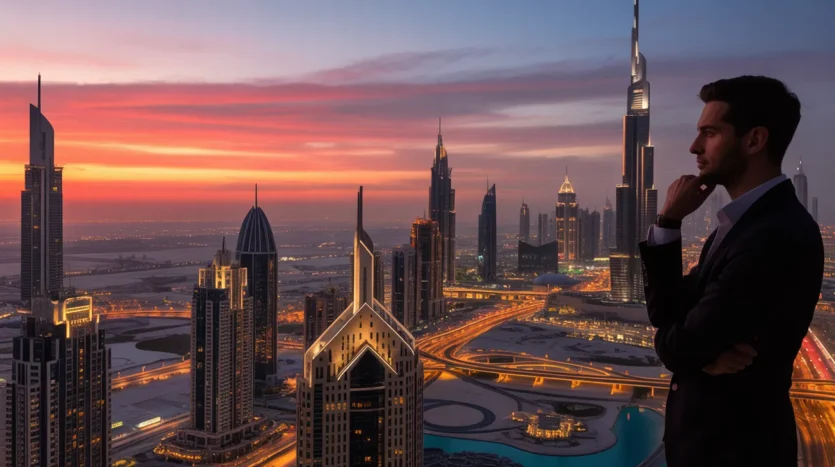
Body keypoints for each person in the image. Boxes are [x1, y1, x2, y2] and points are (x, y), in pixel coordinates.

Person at [639, 75, 824, 466]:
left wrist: (687, 351)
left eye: (709, 133)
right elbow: (666, 312)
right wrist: (669, 221)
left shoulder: (773, 235)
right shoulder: (739, 225)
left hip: (735, 451)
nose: (694, 147)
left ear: (754, 140)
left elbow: (677, 344)